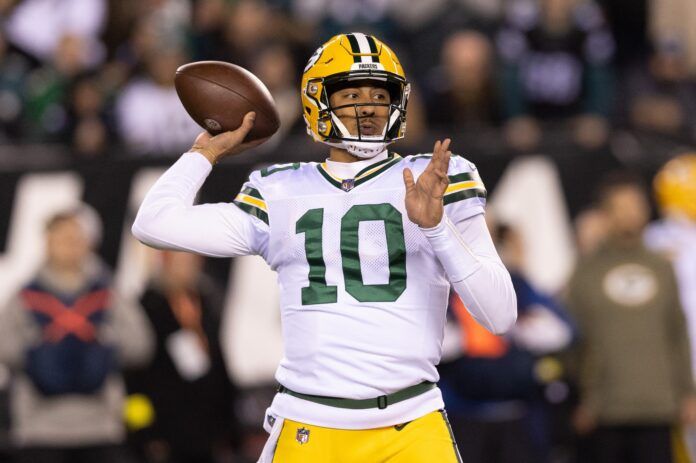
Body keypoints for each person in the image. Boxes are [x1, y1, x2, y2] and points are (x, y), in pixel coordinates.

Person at [132, 32, 517, 462]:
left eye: (379, 93)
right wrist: (204, 152)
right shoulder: (279, 189)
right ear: (318, 101)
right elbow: (153, 223)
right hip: (310, 423)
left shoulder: (438, 176)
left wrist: (437, 227)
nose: (368, 106)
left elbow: (500, 315)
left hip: (412, 421)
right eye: (351, 93)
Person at [0, 205, 153, 463]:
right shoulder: (25, 296)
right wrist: (38, 351)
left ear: (88, 243)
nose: (70, 246)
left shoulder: (109, 294)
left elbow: (141, 345)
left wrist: (103, 345)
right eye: (62, 237)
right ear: (47, 241)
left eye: (76, 238)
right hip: (40, 429)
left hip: (100, 426)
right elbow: (4, 344)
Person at [566, 172, 696, 463]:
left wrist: (688, 392)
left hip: (658, 405)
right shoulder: (587, 271)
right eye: (621, 207)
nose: (630, 214)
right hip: (603, 409)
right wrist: (581, 398)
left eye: (635, 206)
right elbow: (573, 337)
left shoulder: (662, 267)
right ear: (606, 214)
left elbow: (678, 330)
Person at [126, 250, 241, 463]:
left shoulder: (205, 302)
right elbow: (136, 376)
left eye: (192, 263)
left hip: (206, 425)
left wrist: (229, 422)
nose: (187, 269)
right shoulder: (148, 306)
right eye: (180, 263)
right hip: (165, 425)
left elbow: (217, 362)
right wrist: (145, 432)